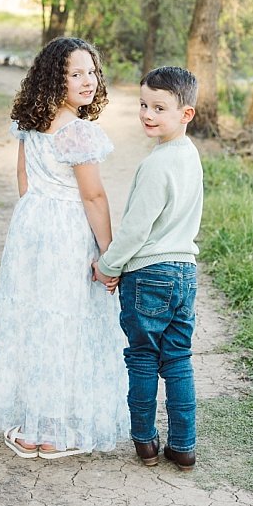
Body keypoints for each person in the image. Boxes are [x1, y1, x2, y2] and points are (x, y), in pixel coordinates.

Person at [0, 36, 129, 459]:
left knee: (33, 317)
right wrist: (109, 253)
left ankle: (31, 425)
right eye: (75, 74)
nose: (88, 80)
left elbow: (23, 182)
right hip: (66, 233)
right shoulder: (79, 134)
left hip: (32, 228)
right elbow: (93, 197)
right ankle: (51, 432)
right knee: (67, 320)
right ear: (53, 80)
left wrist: (33, 223)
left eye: (91, 71)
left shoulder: (31, 124)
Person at [94, 65, 204, 470]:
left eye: (159, 107)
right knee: (177, 359)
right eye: (143, 105)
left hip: (149, 274)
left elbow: (137, 229)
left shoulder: (157, 165)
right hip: (184, 272)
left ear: (186, 114)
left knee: (142, 357)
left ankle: (144, 441)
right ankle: (184, 446)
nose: (147, 114)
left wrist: (108, 266)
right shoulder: (189, 157)